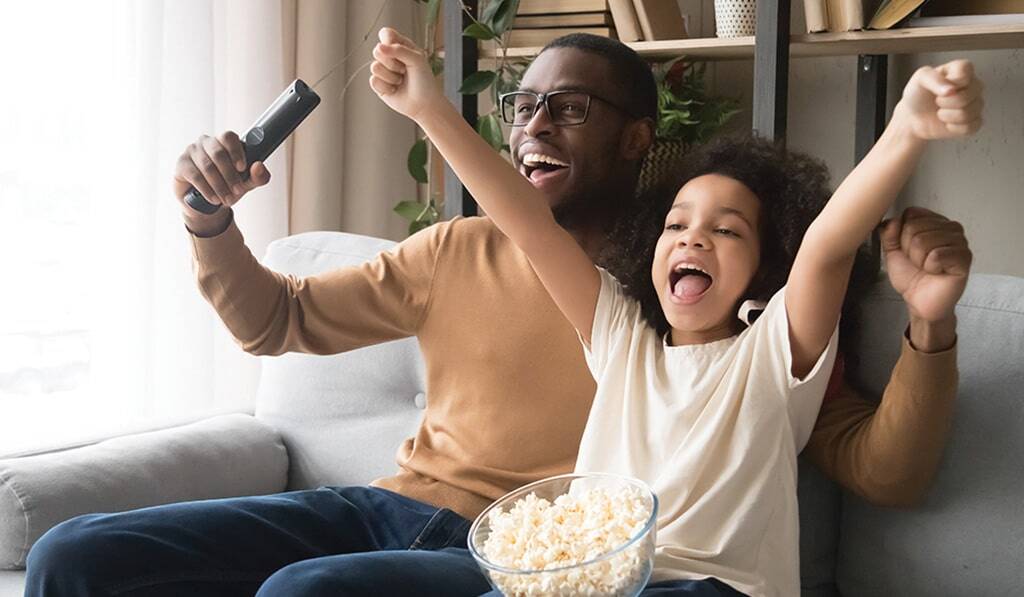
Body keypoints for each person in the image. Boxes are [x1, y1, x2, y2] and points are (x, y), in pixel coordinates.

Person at [23, 30, 975, 597]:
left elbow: (831, 290)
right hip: (388, 511)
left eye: (568, 107)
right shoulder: (553, 294)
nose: (532, 127)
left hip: (544, 558)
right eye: (521, 106)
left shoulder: (757, 345)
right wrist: (212, 211)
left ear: (637, 137)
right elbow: (276, 321)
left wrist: (924, 278)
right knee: (70, 553)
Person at [368, 27, 981, 596]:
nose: (693, 239)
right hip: (589, 583)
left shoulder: (771, 354)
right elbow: (528, 226)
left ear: (768, 269)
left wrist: (906, 130)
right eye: (676, 224)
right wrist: (429, 109)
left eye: (728, 231)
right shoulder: (621, 336)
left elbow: (827, 246)